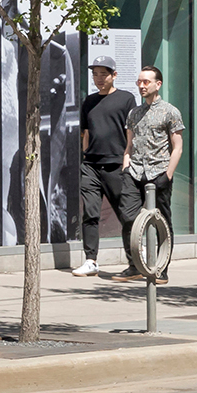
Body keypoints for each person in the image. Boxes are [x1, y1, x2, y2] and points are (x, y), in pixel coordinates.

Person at [115, 64, 184, 283]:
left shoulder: (170, 111)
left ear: (158, 84)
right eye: (139, 82)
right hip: (134, 171)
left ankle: (162, 267)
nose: (142, 86)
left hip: (158, 171)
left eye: (146, 82)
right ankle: (134, 264)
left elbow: (177, 146)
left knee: (161, 220)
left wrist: (168, 175)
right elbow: (129, 144)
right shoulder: (134, 113)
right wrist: (126, 165)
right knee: (128, 217)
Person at [72, 57, 139, 278]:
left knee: (126, 215)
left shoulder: (126, 99)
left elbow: (132, 133)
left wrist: (127, 158)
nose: (99, 79)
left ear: (114, 75)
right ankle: (91, 260)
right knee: (90, 213)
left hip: (116, 164)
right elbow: (86, 133)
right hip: (91, 165)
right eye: (95, 74)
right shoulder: (89, 101)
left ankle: (135, 262)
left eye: (104, 74)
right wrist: (85, 156)